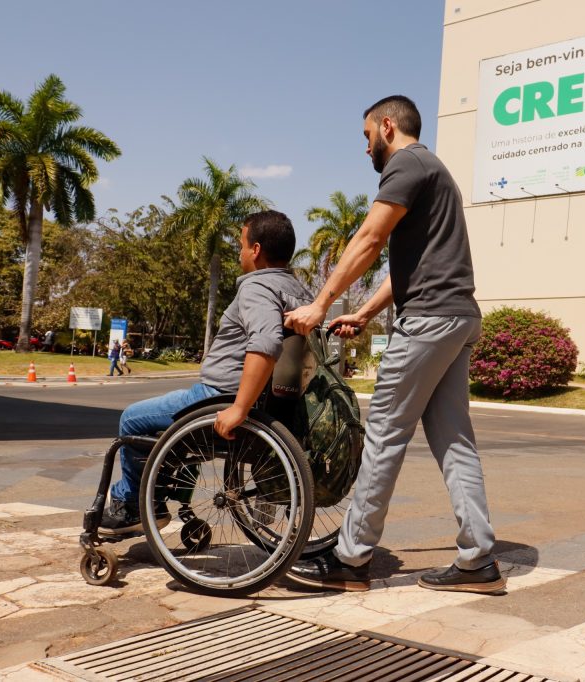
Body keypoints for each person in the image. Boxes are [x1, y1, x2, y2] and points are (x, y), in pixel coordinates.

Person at [285, 95, 504, 595]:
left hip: (429, 321)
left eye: (366, 137)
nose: (366, 149)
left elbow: (369, 237)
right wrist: (362, 312)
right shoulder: (433, 170)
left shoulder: (406, 162)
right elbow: (409, 264)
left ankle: (351, 557)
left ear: (387, 126)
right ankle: (478, 561)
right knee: (455, 442)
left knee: (383, 433)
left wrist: (321, 303)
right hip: (457, 317)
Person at [99, 210, 312, 535]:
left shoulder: (258, 288)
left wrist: (239, 408)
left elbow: (266, 342)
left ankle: (132, 506)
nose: (239, 253)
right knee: (171, 423)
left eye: (241, 245)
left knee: (131, 419)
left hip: (218, 398)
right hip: (271, 404)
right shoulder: (301, 293)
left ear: (255, 250)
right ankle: (156, 499)